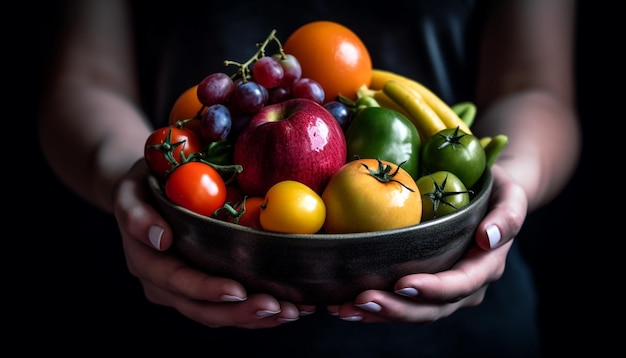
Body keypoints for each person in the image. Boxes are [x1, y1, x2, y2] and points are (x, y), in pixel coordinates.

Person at [37, 0, 580, 355]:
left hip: (463, 334)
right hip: (169, 304)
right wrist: (125, 178)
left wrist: (514, 185)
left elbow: (535, 86)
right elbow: (86, 78)